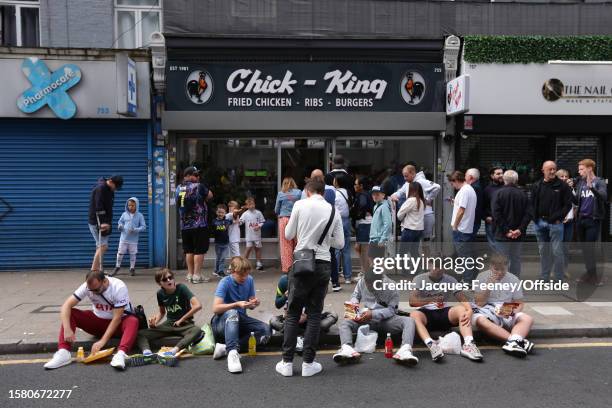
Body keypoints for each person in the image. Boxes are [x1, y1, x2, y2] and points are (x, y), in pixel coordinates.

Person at [276, 180, 344, 377]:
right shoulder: (333, 210)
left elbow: (289, 234)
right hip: (323, 264)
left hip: (302, 263)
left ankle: (287, 363)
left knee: (293, 314)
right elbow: (339, 243)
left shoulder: (300, 205)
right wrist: (322, 239)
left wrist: (306, 235)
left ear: (307, 191)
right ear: (323, 192)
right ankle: (308, 363)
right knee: (314, 314)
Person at [44, 270, 138, 370]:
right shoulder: (88, 287)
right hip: (98, 322)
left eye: (96, 290)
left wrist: (102, 341)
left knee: (133, 321)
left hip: (118, 326)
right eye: (90, 290)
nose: (93, 293)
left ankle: (121, 354)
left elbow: (117, 318)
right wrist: (67, 328)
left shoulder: (119, 287)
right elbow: (66, 305)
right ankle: (63, 352)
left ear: (105, 281)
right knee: (71, 313)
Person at [333, 269, 419, 365]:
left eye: (373, 284)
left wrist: (373, 314)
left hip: (386, 321)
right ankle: (347, 348)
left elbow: (392, 310)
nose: (369, 287)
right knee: (345, 322)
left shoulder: (391, 286)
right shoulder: (362, 281)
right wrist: (353, 309)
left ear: (381, 280)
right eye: (367, 283)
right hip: (366, 320)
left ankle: (405, 350)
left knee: (409, 321)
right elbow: (355, 295)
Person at [409, 258, 483, 362]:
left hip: (444, 312)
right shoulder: (419, 278)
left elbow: (461, 297)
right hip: (426, 313)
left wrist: (469, 310)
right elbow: (412, 301)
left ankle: (469, 344)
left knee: (462, 309)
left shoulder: (450, 279)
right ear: (429, 266)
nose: (439, 269)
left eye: (442, 266)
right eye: (436, 266)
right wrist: (431, 299)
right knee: (414, 315)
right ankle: (432, 345)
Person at [211, 256, 271, 373]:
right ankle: (232, 354)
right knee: (233, 312)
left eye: (246, 274)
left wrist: (254, 303)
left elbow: (250, 303)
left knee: (266, 330)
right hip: (221, 323)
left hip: (240, 320)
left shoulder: (249, 280)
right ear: (232, 272)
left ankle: (225, 348)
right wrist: (236, 304)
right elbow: (215, 308)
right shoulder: (224, 282)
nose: (244, 277)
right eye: (241, 275)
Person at [472, 253, 535, 358]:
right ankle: (515, 341)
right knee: (480, 321)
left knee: (527, 318)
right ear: (490, 266)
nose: (500, 272)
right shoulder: (482, 276)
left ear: (508, 266)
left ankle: (513, 342)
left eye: (503, 269)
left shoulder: (514, 279)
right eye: (496, 269)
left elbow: (519, 302)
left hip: (506, 307)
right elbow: (479, 303)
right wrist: (488, 286)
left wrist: (513, 312)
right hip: (486, 307)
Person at [136, 269, 203, 356]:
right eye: (164, 279)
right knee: (140, 333)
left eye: (170, 277)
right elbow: (162, 312)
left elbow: (198, 305)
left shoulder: (182, 288)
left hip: (184, 324)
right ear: (160, 283)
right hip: (169, 323)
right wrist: (154, 323)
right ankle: (147, 352)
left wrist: (181, 320)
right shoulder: (160, 293)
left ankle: (174, 350)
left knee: (197, 330)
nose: (168, 280)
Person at [269, 274, 338, 353]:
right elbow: (278, 304)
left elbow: (318, 304)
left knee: (333, 315)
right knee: (273, 320)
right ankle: (306, 335)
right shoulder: (284, 281)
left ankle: (299, 335)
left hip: (310, 318)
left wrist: (307, 315)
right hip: (292, 319)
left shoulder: (315, 281)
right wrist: (285, 296)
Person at [531, 161, 573, 281]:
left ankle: (558, 278)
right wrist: (535, 219)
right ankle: (544, 277)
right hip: (540, 223)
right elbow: (532, 204)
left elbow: (567, 205)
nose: (553, 171)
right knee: (544, 251)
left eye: (554, 169)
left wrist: (557, 218)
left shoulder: (563, 186)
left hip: (556, 224)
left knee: (557, 252)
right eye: (549, 169)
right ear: (543, 170)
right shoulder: (537, 185)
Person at [391, 164, 441, 256]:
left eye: (406, 176)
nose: (404, 178)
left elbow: (437, 187)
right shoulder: (408, 184)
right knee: (416, 249)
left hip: (425, 216)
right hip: (417, 219)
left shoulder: (421, 181)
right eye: (404, 176)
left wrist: (428, 199)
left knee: (425, 245)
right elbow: (400, 192)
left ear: (413, 173)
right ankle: (422, 268)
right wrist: (394, 195)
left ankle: (427, 267)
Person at [303, 169, 339, 291]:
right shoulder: (331, 189)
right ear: (323, 177)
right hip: (329, 226)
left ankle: (313, 282)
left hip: (312, 228)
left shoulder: (306, 191)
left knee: (312, 255)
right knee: (331, 254)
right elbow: (336, 206)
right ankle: (334, 282)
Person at [176, 166, 213, 284]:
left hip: (184, 225)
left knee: (189, 250)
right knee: (199, 251)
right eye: (195, 175)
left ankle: (190, 274)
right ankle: (197, 275)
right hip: (199, 224)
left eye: (198, 175)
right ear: (187, 175)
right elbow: (210, 195)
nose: (198, 177)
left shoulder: (178, 188)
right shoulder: (198, 186)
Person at [574, 159, 608, 286]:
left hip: (592, 220)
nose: (579, 171)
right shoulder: (581, 183)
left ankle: (593, 276)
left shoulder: (599, 182)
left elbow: (603, 197)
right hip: (581, 219)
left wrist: (592, 188)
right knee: (584, 249)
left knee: (590, 248)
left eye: (581, 169)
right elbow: (577, 200)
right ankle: (589, 274)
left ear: (590, 169)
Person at [493, 170, 531, 277]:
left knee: (501, 260)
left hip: (502, 234)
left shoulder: (498, 193)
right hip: (518, 235)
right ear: (516, 180)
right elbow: (528, 214)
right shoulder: (523, 194)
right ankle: (514, 281)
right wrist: (519, 229)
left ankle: (503, 282)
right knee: (516, 259)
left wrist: (506, 231)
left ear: (504, 180)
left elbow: (496, 215)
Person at [88, 175, 123, 273]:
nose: (115, 189)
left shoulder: (108, 189)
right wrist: (103, 223)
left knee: (100, 246)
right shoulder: (101, 189)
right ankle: (94, 270)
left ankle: (98, 269)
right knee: (103, 246)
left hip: (103, 221)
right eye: (115, 187)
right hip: (97, 222)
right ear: (111, 181)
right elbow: (98, 207)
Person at [447, 171, 478, 283]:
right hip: (466, 228)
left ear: (455, 181)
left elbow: (462, 210)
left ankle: (467, 280)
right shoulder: (469, 189)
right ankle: (470, 279)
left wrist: (455, 225)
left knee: (465, 257)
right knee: (468, 256)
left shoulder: (464, 191)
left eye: (452, 183)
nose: (452, 186)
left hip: (461, 229)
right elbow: (462, 206)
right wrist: (455, 202)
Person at [112, 197, 146, 277]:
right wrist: (120, 226)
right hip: (123, 238)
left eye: (132, 205)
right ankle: (117, 266)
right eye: (129, 205)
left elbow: (143, 227)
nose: (130, 207)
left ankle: (132, 268)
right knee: (120, 253)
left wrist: (135, 230)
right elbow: (120, 222)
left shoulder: (140, 215)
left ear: (136, 205)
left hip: (133, 240)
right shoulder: (124, 214)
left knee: (133, 254)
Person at [275, 177, 302, 274]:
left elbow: (276, 210)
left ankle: (287, 268)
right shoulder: (299, 193)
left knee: (285, 245)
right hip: (296, 219)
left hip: (284, 219)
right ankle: (298, 265)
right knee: (297, 243)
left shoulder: (280, 194)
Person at [351, 176, 374, 276]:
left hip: (364, 224)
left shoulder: (362, 195)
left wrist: (359, 214)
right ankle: (365, 270)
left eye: (356, 184)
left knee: (364, 249)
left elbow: (363, 205)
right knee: (360, 248)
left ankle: (368, 272)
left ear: (361, 186)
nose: (354, 186)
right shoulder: (366, 194)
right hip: (364, 224)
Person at [397, 181, 425, 259]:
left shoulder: (411, 200)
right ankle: (418, 270)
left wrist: (402, 218)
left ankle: (404, 271)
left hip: (409, 230)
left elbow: (399, 214)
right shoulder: (421, 201)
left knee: (402, 253)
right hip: (418, 230)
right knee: (414, 252)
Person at [333, 176, 353, 285]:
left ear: (338, 182)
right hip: (347, 221)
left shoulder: (335, 193)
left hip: (337, 221)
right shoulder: (348, 193)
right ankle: (348, 277)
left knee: (336, 250)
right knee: (346, 250)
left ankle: (335, 276)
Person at [556, 169, 576, 273]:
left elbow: (575, 203)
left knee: (565, 247)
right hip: (558, 222)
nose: (564, 178)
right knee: (556, 247)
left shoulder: (571, 189)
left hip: (569, 222)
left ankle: (564, 269)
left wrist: (571, 188)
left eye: (566, 176)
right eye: (561, 176)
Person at [369, 186, 392, 266]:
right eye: (373, 194)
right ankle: (375, 277)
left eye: (377, 194)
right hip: (374, 238)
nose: (375, 196)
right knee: (372, 260)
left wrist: (383, 239)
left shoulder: (384, 207)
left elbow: (388, 224)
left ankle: (379, 277)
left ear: (383, 195)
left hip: (379, 239)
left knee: (378, 262)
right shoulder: (376, 206)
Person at [240, 197, 265, 271]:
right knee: (248, 249)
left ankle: (258, 263)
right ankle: (243, 264)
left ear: (255, 204)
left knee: (258, 248)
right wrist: (237, 220)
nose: (251, 206)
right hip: (249, 235)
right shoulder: (245, 214)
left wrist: (259, 226)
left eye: (253, 204)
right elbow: (241, 221)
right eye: (249, 205)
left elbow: (262, 221)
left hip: (257, 235)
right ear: (247, 206)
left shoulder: (258, 213)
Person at [483, 167, 504, 252]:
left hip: (505, 222)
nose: (501, 175)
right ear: (492, 176)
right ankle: (499, 263)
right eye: (498, 174)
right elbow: (482, 206)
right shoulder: (487, 190)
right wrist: (485, 217)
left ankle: (503, 263)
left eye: (502, 173)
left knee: (504, 245)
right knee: (493, 244)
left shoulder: (506, 187)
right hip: (492, 222)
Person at [212, 204, 232, 278]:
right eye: (219, 212)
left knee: (223, 258)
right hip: (218, 243)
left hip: (225, 243)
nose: (220, 214)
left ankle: (220, 271)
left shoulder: (227, 221)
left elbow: (235, 218)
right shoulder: (214, 221)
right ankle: (216, 270)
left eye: (222, 212)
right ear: (216, 212)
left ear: (225, 213)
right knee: (218, 257)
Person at [226, 201, 242, 267]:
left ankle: (231, 267)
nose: (231, 208)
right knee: (237, 255)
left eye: (235, 207)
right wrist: (242, 209)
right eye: (230, 206)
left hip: (233, 238)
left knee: (233, 255)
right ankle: (237, 268)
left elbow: (238, 221)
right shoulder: (229, 215)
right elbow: (236, 213)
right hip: (233, 239)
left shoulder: (236, 215)